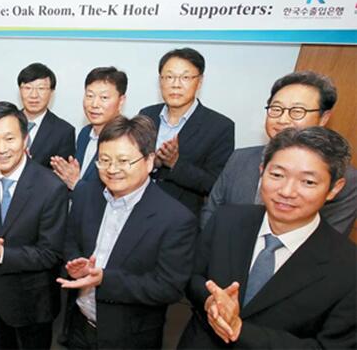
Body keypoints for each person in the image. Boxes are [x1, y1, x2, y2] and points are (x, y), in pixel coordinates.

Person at [178, 127, 356, 349]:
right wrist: (209, 300)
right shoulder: (227, 219)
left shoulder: (349, 267)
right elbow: (193, 276)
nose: (287, 191)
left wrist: (240, 330)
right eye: (277, 175)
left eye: (308, 182)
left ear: (334, 188)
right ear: (262, 171)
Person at [58, 115, 197, 349]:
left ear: (149, 161)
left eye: (123, 161)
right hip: (78, 324)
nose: (112, 170)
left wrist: (105, 279)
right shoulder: (85, 194)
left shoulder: (175, 219)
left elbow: (169, 287)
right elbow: (71, 241)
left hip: (129, 336)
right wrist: (76, 264)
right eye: (104, 160)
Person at [0, 102, 67, 349]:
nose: (1, 148)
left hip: (33, 302)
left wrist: (1, 254)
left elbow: (51, 253)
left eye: (9, 138)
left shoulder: (51, 188)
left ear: (25, 139)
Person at [201, 71, 357, 234]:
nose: (282, 119)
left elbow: (327, 239)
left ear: (323, 118)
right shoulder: (241, 158)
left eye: (297, 111)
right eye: (276, 109)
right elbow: (211, 214)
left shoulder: (345, 178)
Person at [139, 48, 235, 215]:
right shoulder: (147, 115)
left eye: (185, 77)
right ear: (160, 80)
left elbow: (215, 184)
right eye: (169, 77)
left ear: (199, 81)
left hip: (179, 217)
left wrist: (175, 164)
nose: (176, 85)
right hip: (137, 209)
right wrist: (154, 163)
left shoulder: (220, 126)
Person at [51, 67, 126, 190]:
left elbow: (117, 191)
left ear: (121, 100)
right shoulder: (85, 133)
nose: (94, 104)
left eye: (104, 98)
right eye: (89, 96)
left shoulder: (125, 139)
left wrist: (76, 183)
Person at [16, 63, 75, 169]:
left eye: (41, 89)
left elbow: (60, 175)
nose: (34, 95)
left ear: (51, 92)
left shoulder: (64, 132)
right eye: (28, 88)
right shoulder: (5, 123)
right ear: (20, 90)